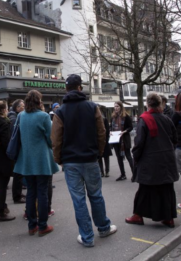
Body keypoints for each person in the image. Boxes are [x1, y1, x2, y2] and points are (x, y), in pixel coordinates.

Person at [51, 74, 117, 248]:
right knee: (96, 195)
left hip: (71, 161)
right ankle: (103, 227)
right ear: (80, 87)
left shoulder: (60, 112)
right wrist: (99, 152)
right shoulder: (92, 107)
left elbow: (56, 139)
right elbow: (101, 133)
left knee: (78, 199)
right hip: (90, 158)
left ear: (67, 89)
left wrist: (59, 159)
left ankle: (87, 236)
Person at [126, 93, 178, 228]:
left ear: (147, 104)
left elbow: (139, 142)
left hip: (150, 160)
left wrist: (135, 156)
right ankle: (168, 217)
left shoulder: (144, 119)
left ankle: (138, 215)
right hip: (166, 159)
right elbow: (174, 138)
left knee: (144, 188)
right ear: (160, 103)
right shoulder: (167, 119)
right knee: (166, 189)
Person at [13, 90, 59, 236]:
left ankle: (32, 225)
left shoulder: (21, 116)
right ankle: (42, 225)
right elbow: (51, 139)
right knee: (43, 192)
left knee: (31, 192)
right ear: (39, 101)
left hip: (26, 159)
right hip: (42, 159)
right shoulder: (44, 116)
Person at [9, 99, 26, 204]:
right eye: (23, 106)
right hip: (17, 149)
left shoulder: (13, 117)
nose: (24, 108)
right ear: (18, 108)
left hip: (16, 149)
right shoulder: (14, 119)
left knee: (18, 173)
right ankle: (17, 196)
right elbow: (15, 136)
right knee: (18, 173)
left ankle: (18, 194)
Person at [111, 101, 133, 181]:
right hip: (116, 140)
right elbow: (111, 127)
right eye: (115, 106)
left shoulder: (126, 116)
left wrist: (124, 131)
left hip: (124, 140)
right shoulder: (113, 117)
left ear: (121, 107)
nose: (116, 108)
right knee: (119, 158)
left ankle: (134, 174)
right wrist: (110, 132)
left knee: (129, 157)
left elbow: (130, 127)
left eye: (117, 106)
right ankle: (123, 174)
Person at [98, 106, 112, 178]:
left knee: (106, 157)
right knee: (99, 157)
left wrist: (106, 139)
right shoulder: (94, 120)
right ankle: (101, 171)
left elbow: (107, 130)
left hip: (105, 140)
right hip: (98, 141)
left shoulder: (104, 119)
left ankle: (107, 171)